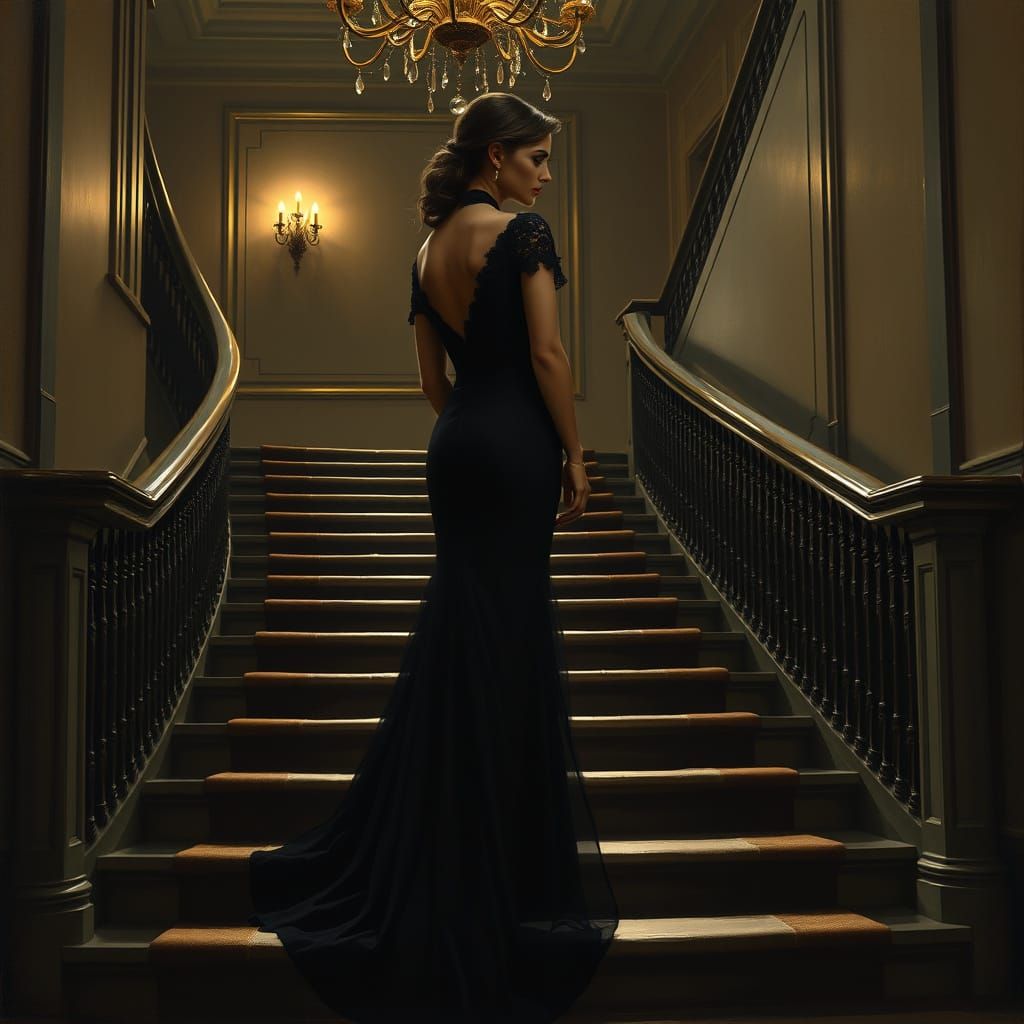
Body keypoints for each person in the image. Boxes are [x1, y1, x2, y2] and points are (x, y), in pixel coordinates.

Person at [247, 91, 619, 1023]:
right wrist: (574, 454)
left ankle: (442, 849)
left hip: (456, 444)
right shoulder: (522, 233)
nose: (543, 173)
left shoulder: (424, 252)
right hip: (516, 441)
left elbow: (428, 381)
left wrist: (470, 435)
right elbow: (547, 354)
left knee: (461, 639)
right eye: (535, 156)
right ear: (494, 158)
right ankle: (502, 873)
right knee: (507, 648)